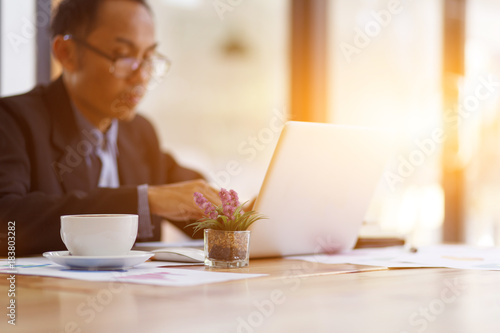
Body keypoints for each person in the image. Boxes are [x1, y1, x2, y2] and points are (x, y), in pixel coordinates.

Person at [0, 0, 221, 256]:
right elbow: (7, 221)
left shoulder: (139, 132)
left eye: (148, 57)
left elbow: (189, 200)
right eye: (123, 55)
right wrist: (144, 200)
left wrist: (243, 216)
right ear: (66, 53)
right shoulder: (13, 121)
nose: (141, 77)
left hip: (134, 295)